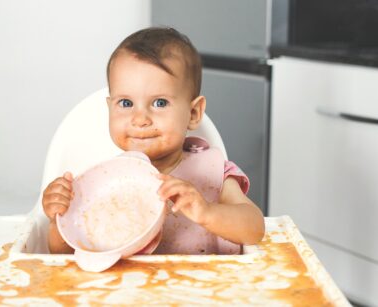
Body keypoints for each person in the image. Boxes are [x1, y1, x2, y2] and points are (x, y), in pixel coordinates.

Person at [42, 27, 265, 254]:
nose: (140, 119)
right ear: (110, 108)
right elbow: (65, 257)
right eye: (126, 104)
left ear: (194, 113)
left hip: (206, 286)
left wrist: (206, 212)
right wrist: (58, 221)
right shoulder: (109, 182)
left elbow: (255, 228)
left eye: (159, 103)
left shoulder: (214, 172)